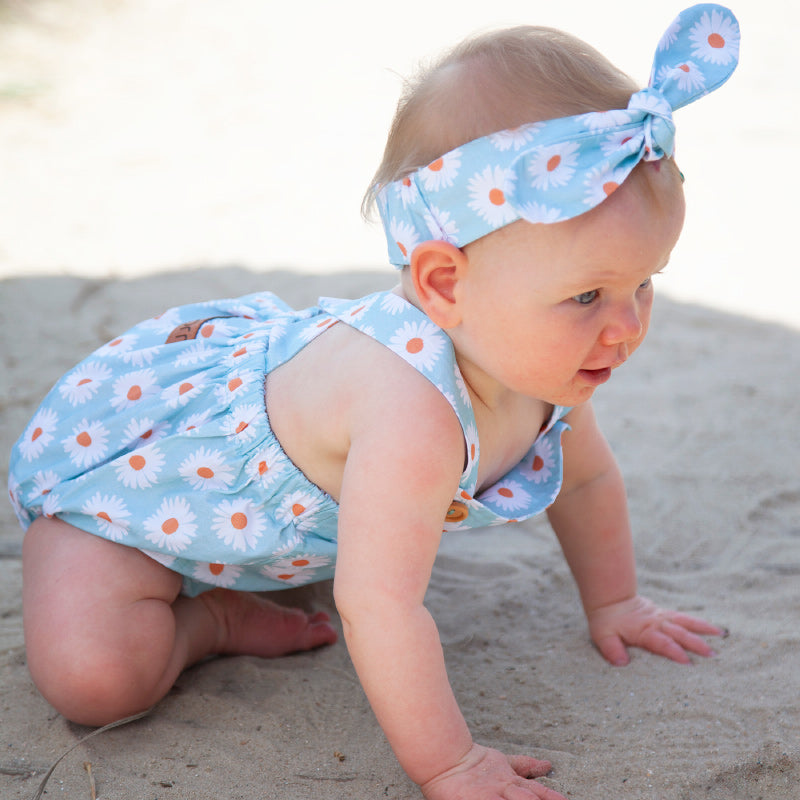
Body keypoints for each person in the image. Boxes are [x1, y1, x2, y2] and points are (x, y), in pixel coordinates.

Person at [8, 5, 739, 798]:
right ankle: (208, 621)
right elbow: (380, 607)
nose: (625, 327)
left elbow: (588, 482)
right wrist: (450, 763)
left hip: (261, 526)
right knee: (96, 679)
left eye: (644, 285)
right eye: (588, 295)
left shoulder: (543, 369)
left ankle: (237, 593)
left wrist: (618, 601)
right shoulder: (409, 410)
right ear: (443, 284)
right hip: (143, 494)